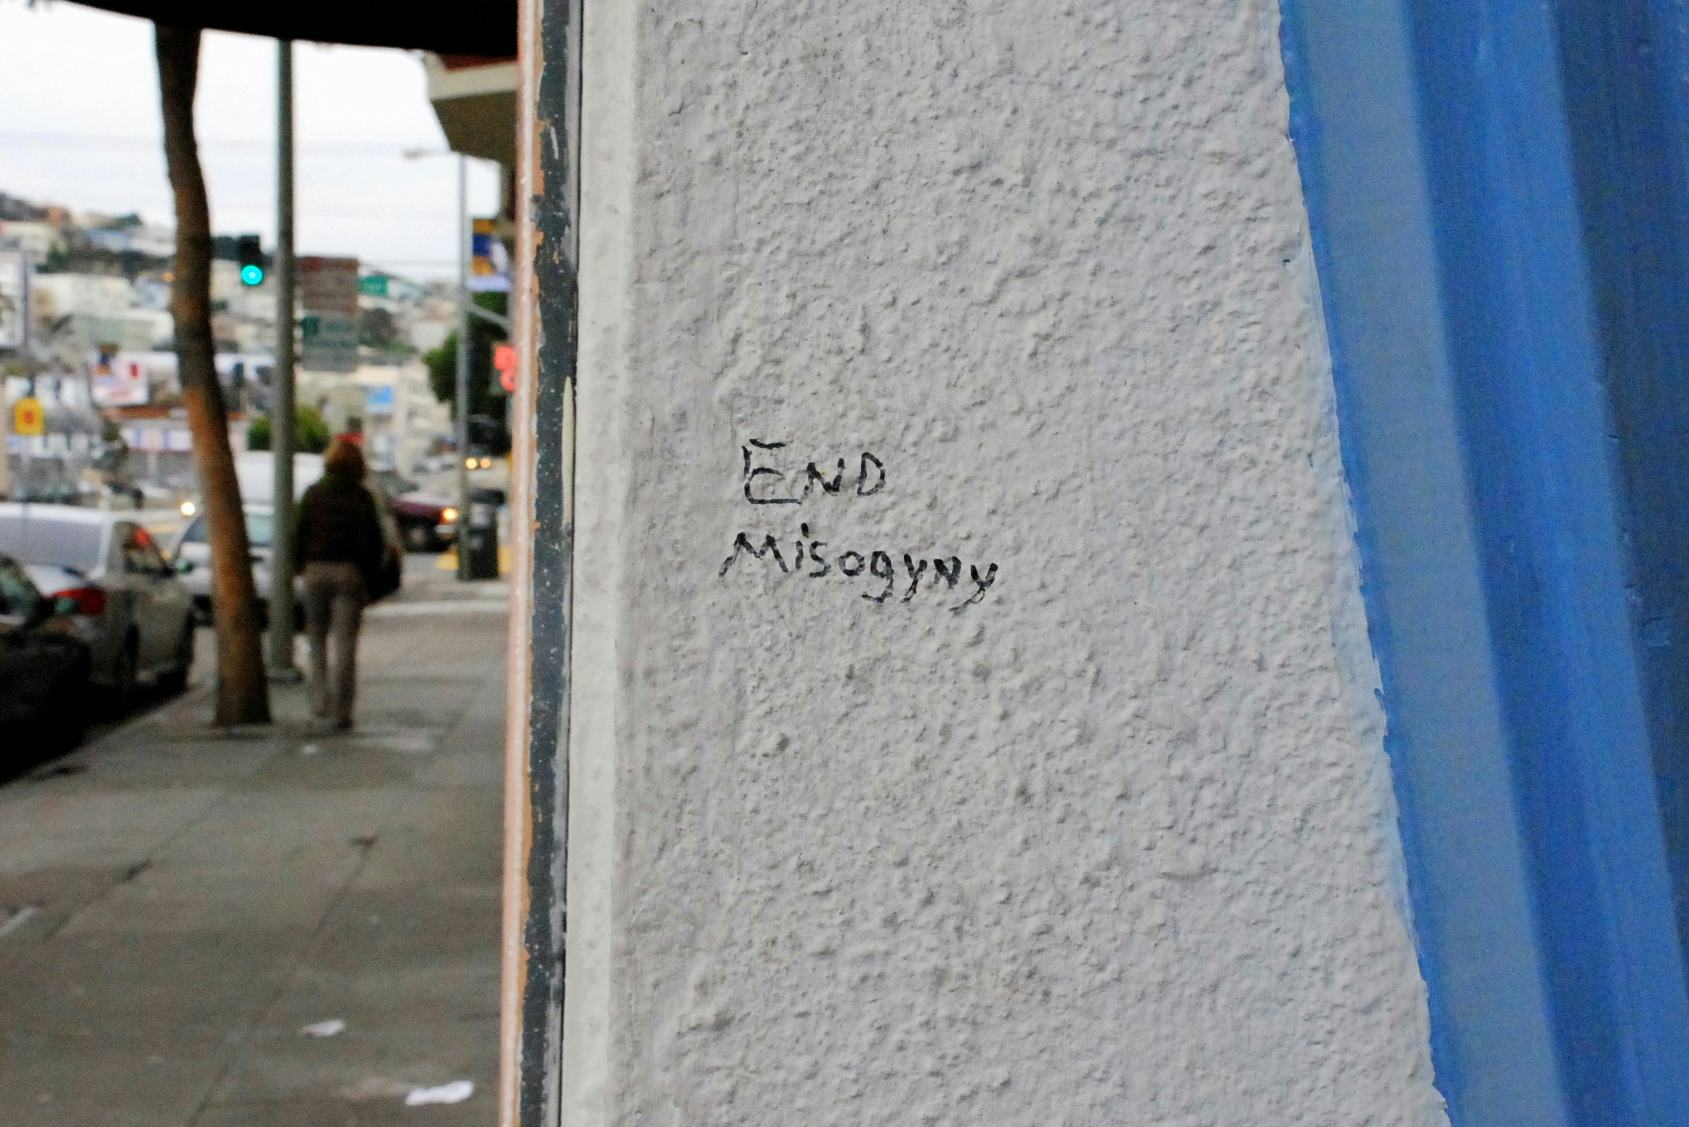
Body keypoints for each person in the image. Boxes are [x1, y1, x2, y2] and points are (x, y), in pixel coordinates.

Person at [296, 439, 387, 731]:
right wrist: (369, 575)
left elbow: (298, 532)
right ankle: (341, 711)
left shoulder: (312, 493)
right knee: (345, 646)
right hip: (349, 572)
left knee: (316, 641)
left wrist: (299, 566)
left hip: (315, 571)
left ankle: (319, 704)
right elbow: (374, 540)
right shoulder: (361, 497)